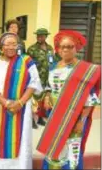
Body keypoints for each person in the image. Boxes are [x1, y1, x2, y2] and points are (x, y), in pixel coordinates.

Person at [37, 30, 100, 169]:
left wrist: (81, 121)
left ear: (76, 48)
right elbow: (49, 85)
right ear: (58, 49)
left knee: (72, 150)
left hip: (75, 117)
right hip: (55, 115)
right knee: (54, 146)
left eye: (70, 46)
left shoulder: (84, 69)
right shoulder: (54, 66)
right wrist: (47, 95)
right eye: (62, 46)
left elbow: (90, 98)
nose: (65, 50)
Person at [0, 32, 42, 169]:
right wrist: (6, 103)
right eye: (7, 44)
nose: (11, 47)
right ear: (0, 46)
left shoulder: (25, 61)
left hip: (22, 109)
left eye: (14, 44)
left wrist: (20, 102)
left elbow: (34, 83)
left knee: (21, 140)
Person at [27, 28, 61, 129]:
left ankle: (40, 117)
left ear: (46, 36)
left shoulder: (50, 48)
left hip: (48, 77)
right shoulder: (32, 49)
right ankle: (32, 119)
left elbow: (53, 60)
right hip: (37, 77)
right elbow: (28, 63)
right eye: (38, 36)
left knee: (43, 98)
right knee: (34, 98)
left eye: (41, 36)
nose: (39, 37)